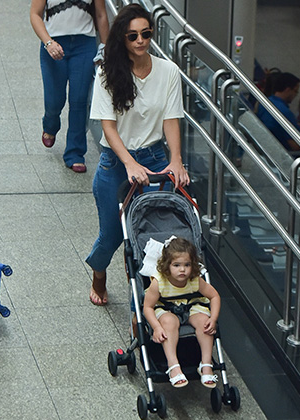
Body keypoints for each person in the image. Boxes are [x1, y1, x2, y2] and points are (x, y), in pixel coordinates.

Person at [86, 4, 190, 306]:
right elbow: (108, 127)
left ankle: (143, 307)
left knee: (154, 238)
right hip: (116, 162)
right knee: (113, 236)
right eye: (133, 36)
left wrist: (176, 160)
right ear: (122, 38)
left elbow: (171, 119)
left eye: (146, 34)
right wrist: (129, 163)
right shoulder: (107, 72)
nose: (141, 41)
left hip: (156, 158)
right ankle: (99, 271)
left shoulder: (168, 71)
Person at [30, 0, 110, 173]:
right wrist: (48, 42)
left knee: (79, 100)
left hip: (84, 44)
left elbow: (101, 14)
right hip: (52, 43)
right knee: (54, 100)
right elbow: (35, 15)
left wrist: (105, 46)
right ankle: (50, 125)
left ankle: (75, 153)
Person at [142, 237, 220, 388]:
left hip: (191, 306)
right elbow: (147, 307)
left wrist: (213, 318)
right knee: (169, 323)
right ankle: (174, 366)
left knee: (205, 323)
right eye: (176, 265)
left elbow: (214, 296)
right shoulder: (159, 282)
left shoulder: (194, 279)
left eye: (187, 265)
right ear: (167, 265)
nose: (182, 269)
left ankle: (206, 363)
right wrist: (156, 327)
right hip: (166, 308)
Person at [256, 72, 300, 151]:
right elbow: (296, 146)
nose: (296, 95)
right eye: (295, 91)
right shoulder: (284, 112)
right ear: (288, 90)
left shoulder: (264, 104)